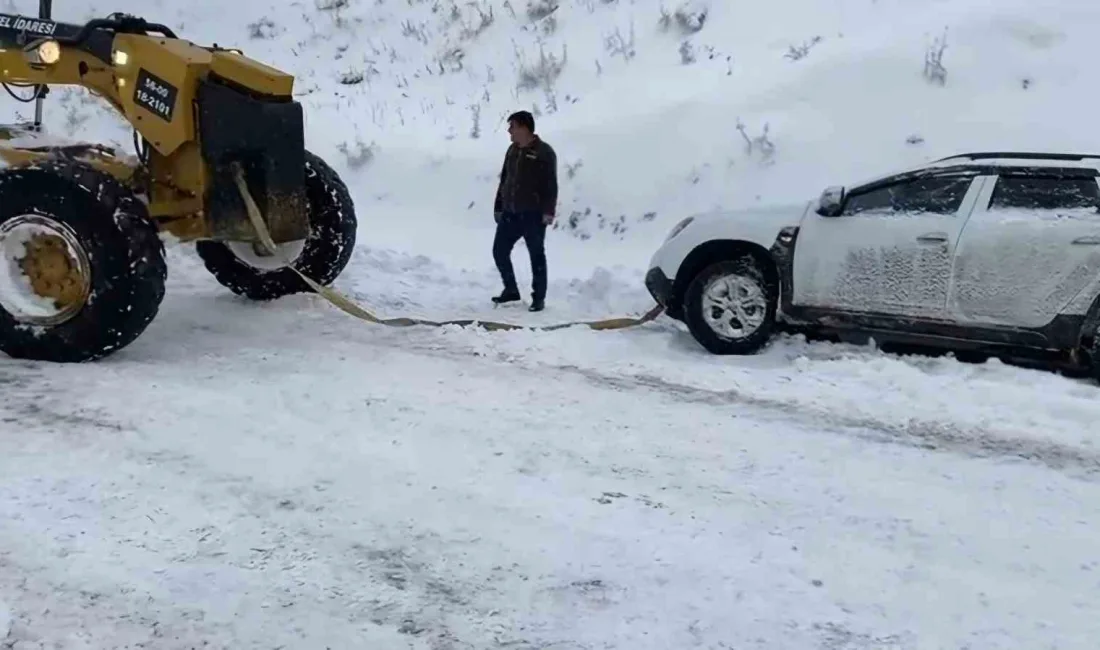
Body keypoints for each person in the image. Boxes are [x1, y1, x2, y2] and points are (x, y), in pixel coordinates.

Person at [491, 110, 557, 312]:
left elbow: (551, 185)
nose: (509, 131)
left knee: (536, 255)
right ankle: (511, 289)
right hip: (511, 212)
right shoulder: (512, 151)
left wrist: (548, 211)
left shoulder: (544, 152)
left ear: (524, 128)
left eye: (513, 126)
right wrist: (499, 206)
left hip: (533, 214)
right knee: (499, 251)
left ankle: (539, 298)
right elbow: (504, 180)